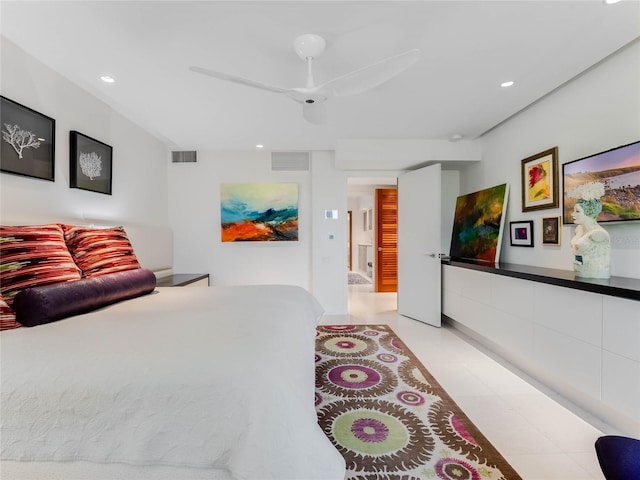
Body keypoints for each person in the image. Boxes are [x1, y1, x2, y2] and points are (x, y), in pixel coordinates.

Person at [570, 199, 611, 279]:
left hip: (595, 276)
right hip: (579, 274)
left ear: (589, 213)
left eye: (577, 211)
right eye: (573, 211)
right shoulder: (579, 229)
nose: (572, 214)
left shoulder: (598, 234)